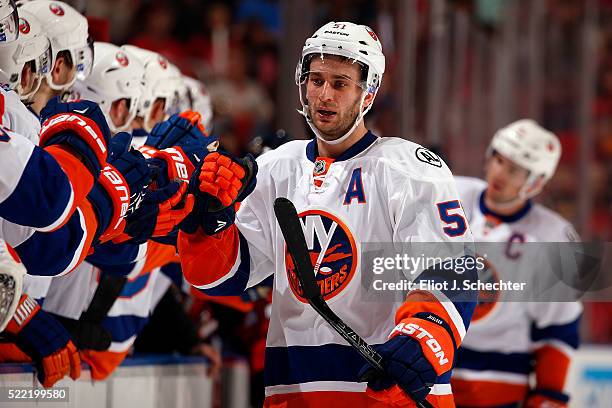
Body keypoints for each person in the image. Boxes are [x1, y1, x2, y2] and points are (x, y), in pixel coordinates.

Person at [178, 22, 477, 407]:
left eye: (340, 83)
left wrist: (422, 340)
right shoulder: (276, 167)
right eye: (316, 80)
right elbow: (222, 277)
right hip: (294, 393)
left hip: (385, 394)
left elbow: (454, 269)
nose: (324, 95)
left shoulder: (409, 168)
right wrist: (210, 225)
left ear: (367, 93)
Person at [451, 120, 582, 408]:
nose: (500, 173)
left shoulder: (553, 238)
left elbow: (558, 327)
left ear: (535, 182)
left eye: (515, 170)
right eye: (499, 160)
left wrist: (549, 393)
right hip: (428, 372)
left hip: (498, 388)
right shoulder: (450, 193)